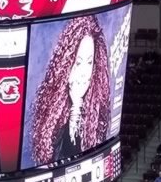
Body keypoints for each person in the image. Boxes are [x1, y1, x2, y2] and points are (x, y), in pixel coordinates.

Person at [28, 13, 115, 166]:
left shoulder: (98, 113)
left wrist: (77, 106)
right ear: (65, 65)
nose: (84, 73)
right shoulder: (48, 114)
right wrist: (75, 108)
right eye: (78, 63)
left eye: (89, 63)